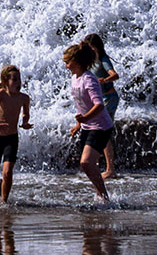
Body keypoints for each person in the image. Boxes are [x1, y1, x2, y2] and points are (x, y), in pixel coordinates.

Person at [63, 43, 112, 204]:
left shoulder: (89, 79)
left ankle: (104, 198)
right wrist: (79, 124)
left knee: (86, 162)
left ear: (77, 61)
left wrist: (85, 119)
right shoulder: (74, 78)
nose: (66, 65)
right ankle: (101, 195)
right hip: (87, 126)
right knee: (87, 164)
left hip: (101, 127)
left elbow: (99, 105)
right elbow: (81, 104)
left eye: (68, 62)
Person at [0, 64, 31, 202]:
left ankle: (4, 201)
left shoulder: (24, 98)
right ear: (6, 82)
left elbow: (25, 114)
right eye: (14, 79)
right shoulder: (1, 94)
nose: (18, 83)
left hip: (11, 138)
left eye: (19, 79)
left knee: (7, 172)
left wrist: (25, 122)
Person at [83, 33, 121, 180]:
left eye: (92, 47)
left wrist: (103, 80)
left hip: (109, 99)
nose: (90, 50)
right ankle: (100, 165)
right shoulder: (91, 62)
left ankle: (110, 169)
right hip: (100, 100)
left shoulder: (103, 60)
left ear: (97, 47)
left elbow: (115, 75)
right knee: (100, 131)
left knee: (103, 132)